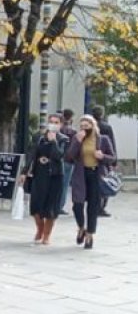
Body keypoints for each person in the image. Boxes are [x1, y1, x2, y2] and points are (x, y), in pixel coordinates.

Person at [65, 114, 116, 250]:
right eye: (81, 126)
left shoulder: (103, 139)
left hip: (96, 175)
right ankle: (81, 227)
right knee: (77, 204)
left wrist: (102, 156)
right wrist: (77, 141)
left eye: (86, 126)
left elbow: (112, 157)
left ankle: (90, 235)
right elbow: (69, 157)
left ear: (93, 126)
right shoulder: (77, 139)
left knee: (93, 207)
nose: (83, 129)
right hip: (81, 175)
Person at [18, 113, 69, 245]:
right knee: (36, 205)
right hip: (39, 174)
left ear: (61, 125)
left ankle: (46, 235)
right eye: (51, 121)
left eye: (56, 122)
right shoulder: (39, 137)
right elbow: (31, 154)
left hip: (55, 175)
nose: (53, 124)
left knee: (51, 207)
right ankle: (40, 228)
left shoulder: (64, 139)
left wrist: (53, 142)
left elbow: (59, 156)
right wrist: (24, 171)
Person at [91, 106, 116, 217]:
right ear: (102, 114)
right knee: (105, 183)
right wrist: (114, 161)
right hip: (103, 160)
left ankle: (94, 206)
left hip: (90, 159)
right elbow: (112, 144)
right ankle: (101, 207)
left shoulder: (88, 125)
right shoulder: (106, 127)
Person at [59, 109, 77, 215]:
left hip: (58, 159)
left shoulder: (58, 129)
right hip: (68, 161)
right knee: (65, 184)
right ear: (71, 118)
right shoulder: (72, 131)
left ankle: (52, 204)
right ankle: (60, 205)